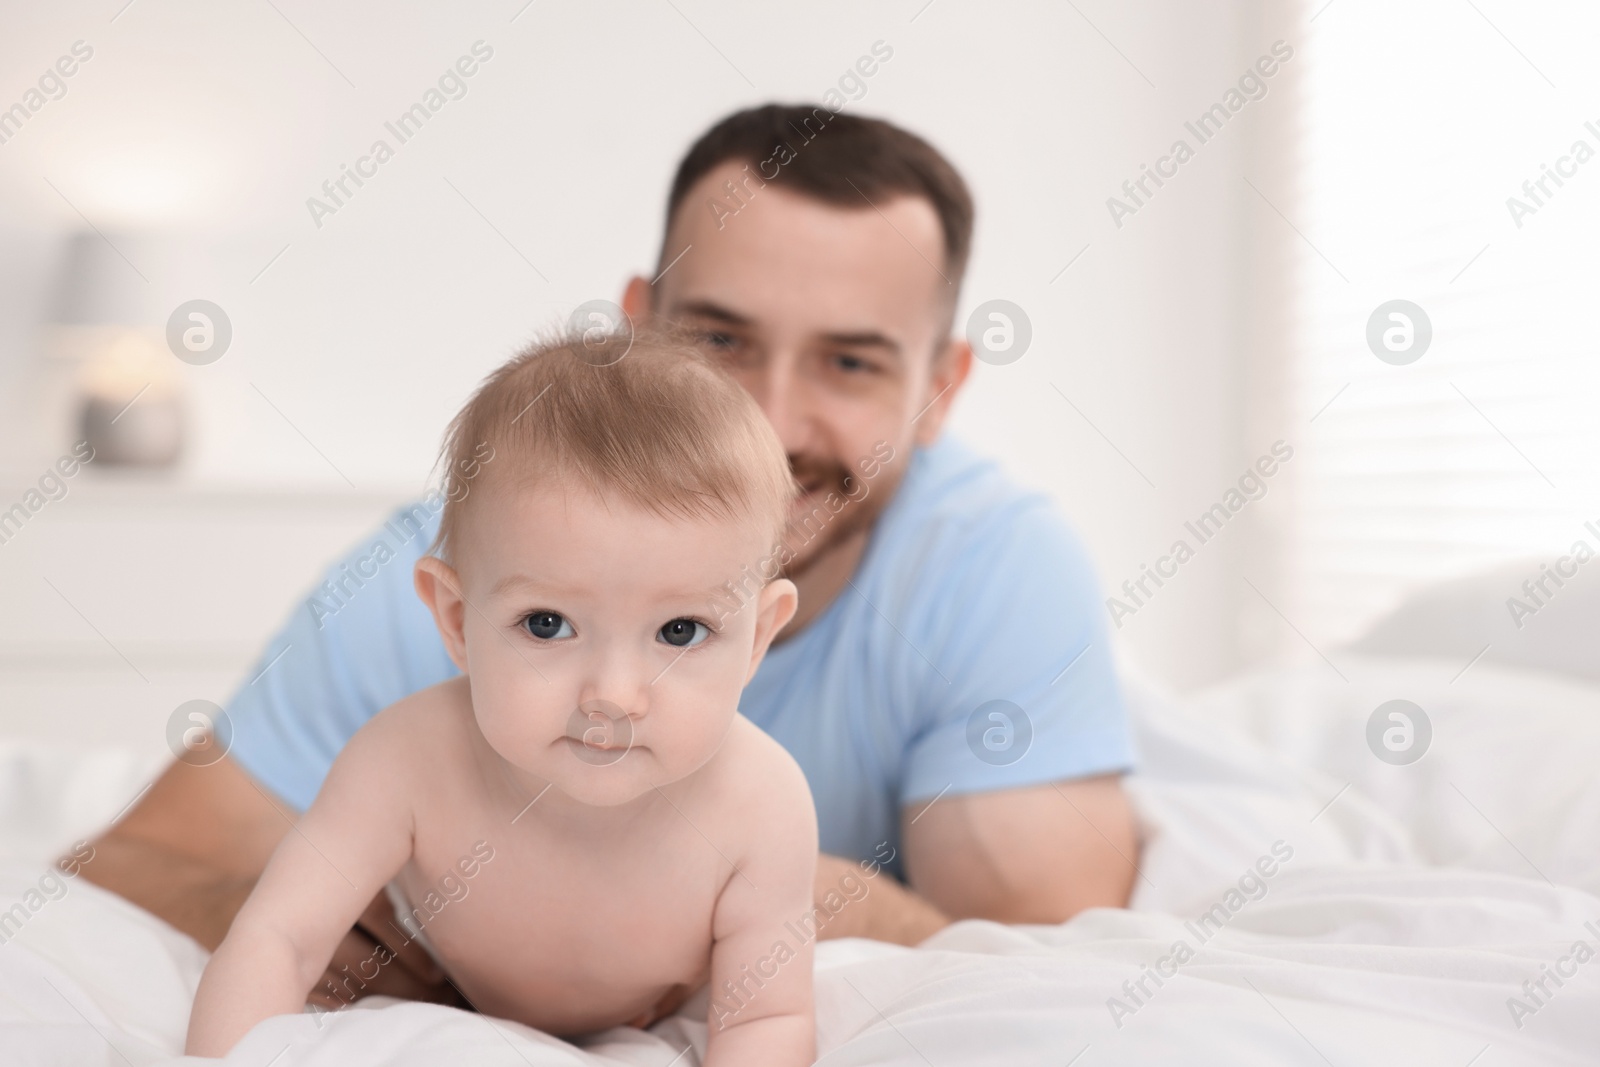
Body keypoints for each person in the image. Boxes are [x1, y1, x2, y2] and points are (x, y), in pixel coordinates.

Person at [81, 104, 1140, 1012]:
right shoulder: (451, 570)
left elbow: (1053, 963)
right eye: (719, 340)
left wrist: (800, 897)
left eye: (850, 361)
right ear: (638, 324)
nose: (769, 423)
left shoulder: (996, 570)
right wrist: (292, 911)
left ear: (942, 390)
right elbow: (124, 860)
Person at [187, 331, 818, 1061]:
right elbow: (279, 939)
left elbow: (763, 1022)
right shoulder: (405, 762)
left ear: (759, 636)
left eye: (681, 630)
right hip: (437, 980)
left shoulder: (762, 804)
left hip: (666, 1006)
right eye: (547, 624)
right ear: (455, 618)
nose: (613, 695)